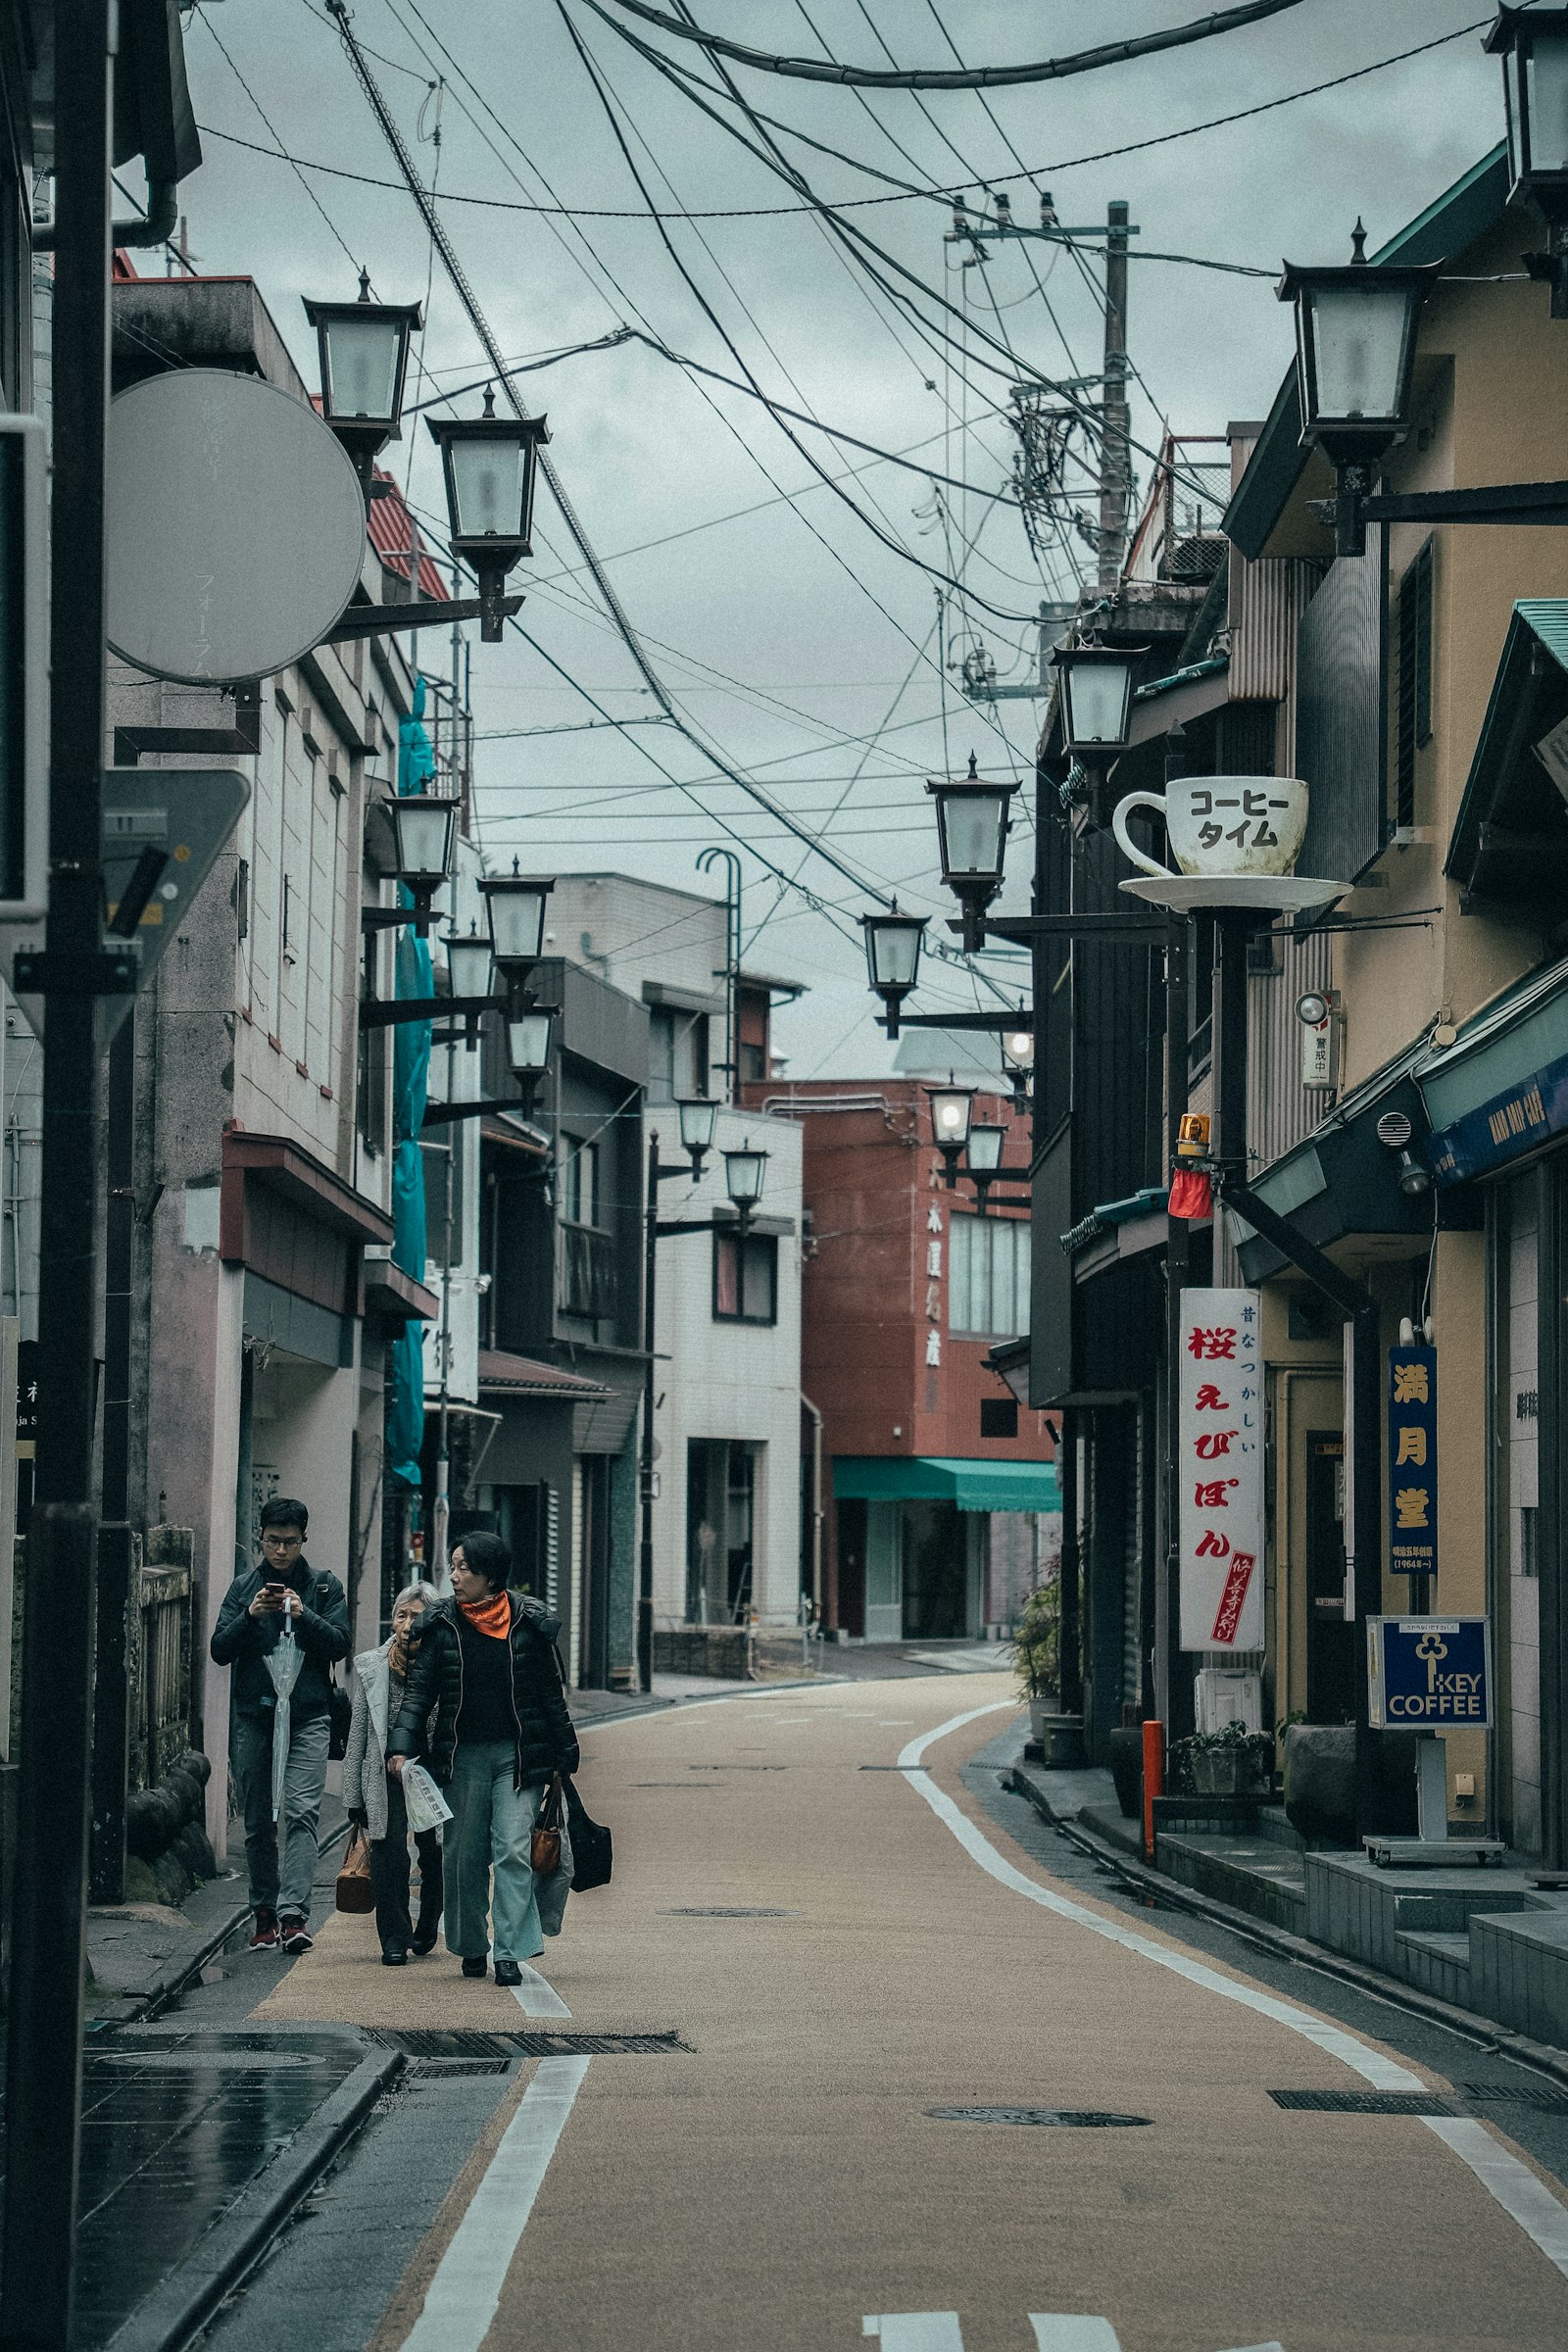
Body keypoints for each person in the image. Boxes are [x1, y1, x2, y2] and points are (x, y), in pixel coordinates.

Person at [387, 1531, 578, 1987]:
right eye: (452, 1566)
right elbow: (419, 1693)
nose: (453, 1576)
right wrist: (400, 1745)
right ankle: (472, 1945)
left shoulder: (530, 1623)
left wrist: (565, 1752)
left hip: (517, 1755)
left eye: (463, 1568)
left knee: (513, 1848)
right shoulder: (441, 1624)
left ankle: (510, 1953)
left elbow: (550, 1694)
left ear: (490, 1576)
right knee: (463, 1854)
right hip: (462, 1756)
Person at [210, 1494, 350, 1955]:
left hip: (310, 1714)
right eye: (273, 1541)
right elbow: (219, 1650)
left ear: (303, 1539)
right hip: (254, 1715)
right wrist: (251, 1617)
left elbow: (338, 1646)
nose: (282, 1551)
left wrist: (301, 1614)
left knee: (302, 1810)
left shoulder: (324, 1587)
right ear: (260, 1539)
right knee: (257, 1820)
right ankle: (263, 1913)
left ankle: (294, 1914)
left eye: (290, 1542)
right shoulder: (243, 1588)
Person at [343, 1579, 444, 1967]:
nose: (405, 1624)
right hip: (383, 1775)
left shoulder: (444, 1665)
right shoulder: (372, 1666)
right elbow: (357, 1737)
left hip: (432, 1773)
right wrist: (353, 1796)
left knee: (433, 1853)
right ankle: (394, 1938)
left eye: (415, 1617)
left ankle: (428, 1925)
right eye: (400, 1615)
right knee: (388, 1855)